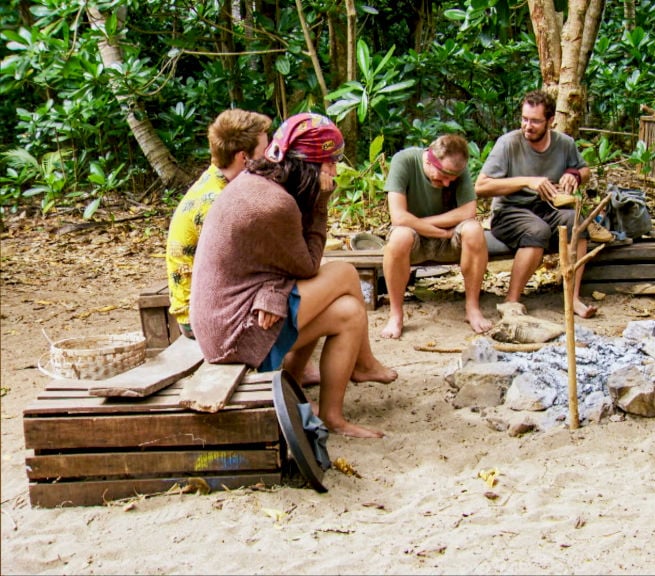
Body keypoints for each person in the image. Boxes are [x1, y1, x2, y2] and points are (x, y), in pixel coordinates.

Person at [191, 113, 397, 438]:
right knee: (342, 273)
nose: (334, 170)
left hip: (233, 317)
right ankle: (364, 363)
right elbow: (308, 266)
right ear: (311, 164)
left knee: (349, 313)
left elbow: (272, 261)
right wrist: (320, 203)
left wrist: (273, 292)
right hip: (233, 334)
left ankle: (333, 416)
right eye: (331, 161)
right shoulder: (273, 203)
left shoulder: (262, 183)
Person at [475, 90, 607, 318]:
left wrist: (574, 175)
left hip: (549, 208)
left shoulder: (564, 143)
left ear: (550, 121)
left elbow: (584, 170)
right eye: (524, 119)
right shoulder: (508, 144)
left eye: (535, 121)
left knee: (576, 223)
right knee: (538, 230)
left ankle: (572, 299)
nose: (528, 126)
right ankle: (511, 300)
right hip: (510, 211)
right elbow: (481, 186)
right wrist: (528, 181)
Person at [166, 109, 272, 340]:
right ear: (243, 157)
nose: (269, 157)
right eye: (264, 151)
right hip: (199, 317)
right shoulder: (214, 202)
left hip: (213, 301)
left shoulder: (220, 179)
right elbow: (241, 269)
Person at [380, 134, 492, 339]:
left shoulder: (458, 167)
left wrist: (425, 223)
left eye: (453, 178)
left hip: (449, 238)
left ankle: (472, 308)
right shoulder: (404, 160)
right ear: (430, 159)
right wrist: (436, 230)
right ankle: (396, 315)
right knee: (399, 237)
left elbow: (468, 212)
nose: (449, 183)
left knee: (474, 230)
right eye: (444, 175)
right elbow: (398, 216)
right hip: (415, 240)